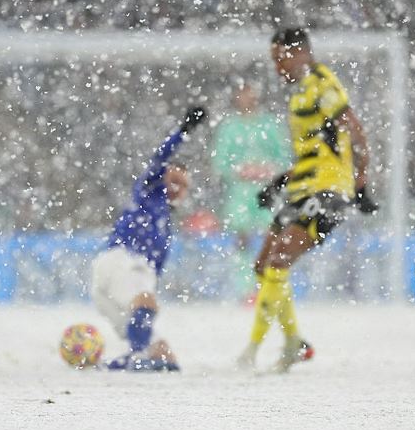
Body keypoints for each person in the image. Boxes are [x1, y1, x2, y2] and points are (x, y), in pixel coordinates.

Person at [238, 28, 377, 372]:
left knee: (280, 258)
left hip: (328, 190)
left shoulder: (322, 84)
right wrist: (279, 182)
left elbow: (355, 129)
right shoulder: (300, 93)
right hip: (303, 186)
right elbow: (313, 150)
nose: (276, 67)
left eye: (279, 58)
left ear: (299, 52)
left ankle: (252, 351)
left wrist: (360, 182)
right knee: (263, 264)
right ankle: (293, 342)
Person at [91, 106, 208, 371]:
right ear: (163, 178)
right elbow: (160, 158)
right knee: (145, 300)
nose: (178, 188)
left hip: (111, 283)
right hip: (120, 261)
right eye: (174, 180)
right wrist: (183, 131)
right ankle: (136, 355)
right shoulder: (149, 193)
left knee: (165, 358)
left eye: (184, 185)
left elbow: (153, 274)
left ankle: (125, 360)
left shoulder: (165, 223)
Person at [212, 84, 290, 302]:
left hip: (268, 190)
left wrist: (269, 169)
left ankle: (269, 285)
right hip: (240, 192)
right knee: (242, 237)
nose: (246, 98)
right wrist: (239, 170)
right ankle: (245, 289)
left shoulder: (271, 125)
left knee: (272, 236)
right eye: (242, 93)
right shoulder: (229, 127)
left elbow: (284, 157)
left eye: (250, 93)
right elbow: (220, 162)